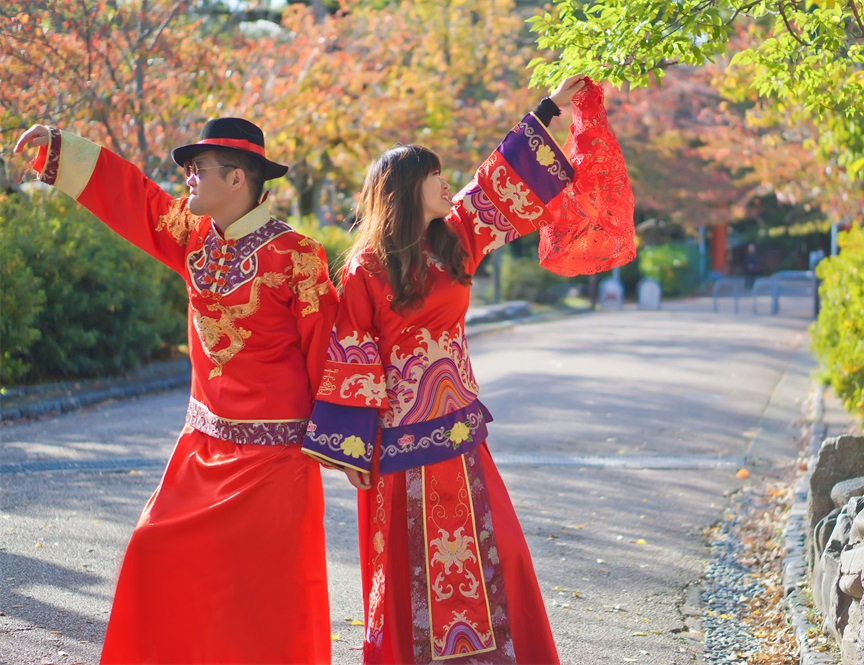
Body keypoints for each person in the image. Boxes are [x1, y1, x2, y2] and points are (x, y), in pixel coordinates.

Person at [14, 117, 337, 664]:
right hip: (201, 449)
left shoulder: (298, 256)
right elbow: (133, 198)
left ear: (238, 179)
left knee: (263, 598)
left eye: (198, 169)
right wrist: (61, 151)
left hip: (275, 462)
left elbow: (327, 350)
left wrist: (338, 440)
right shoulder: (191, 236)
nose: (186, 178)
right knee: (153, 549)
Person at [302, 74, 597, 663]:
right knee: (408, 574)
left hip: (461, 434)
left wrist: (551, 109)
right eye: (434, 175)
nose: (446, 182)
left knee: (500, 552)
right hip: (396, 447)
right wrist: (353, 449)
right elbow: (352, 352)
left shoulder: (456, 234)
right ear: (408, 190)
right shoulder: (364, 269)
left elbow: (497, 179)